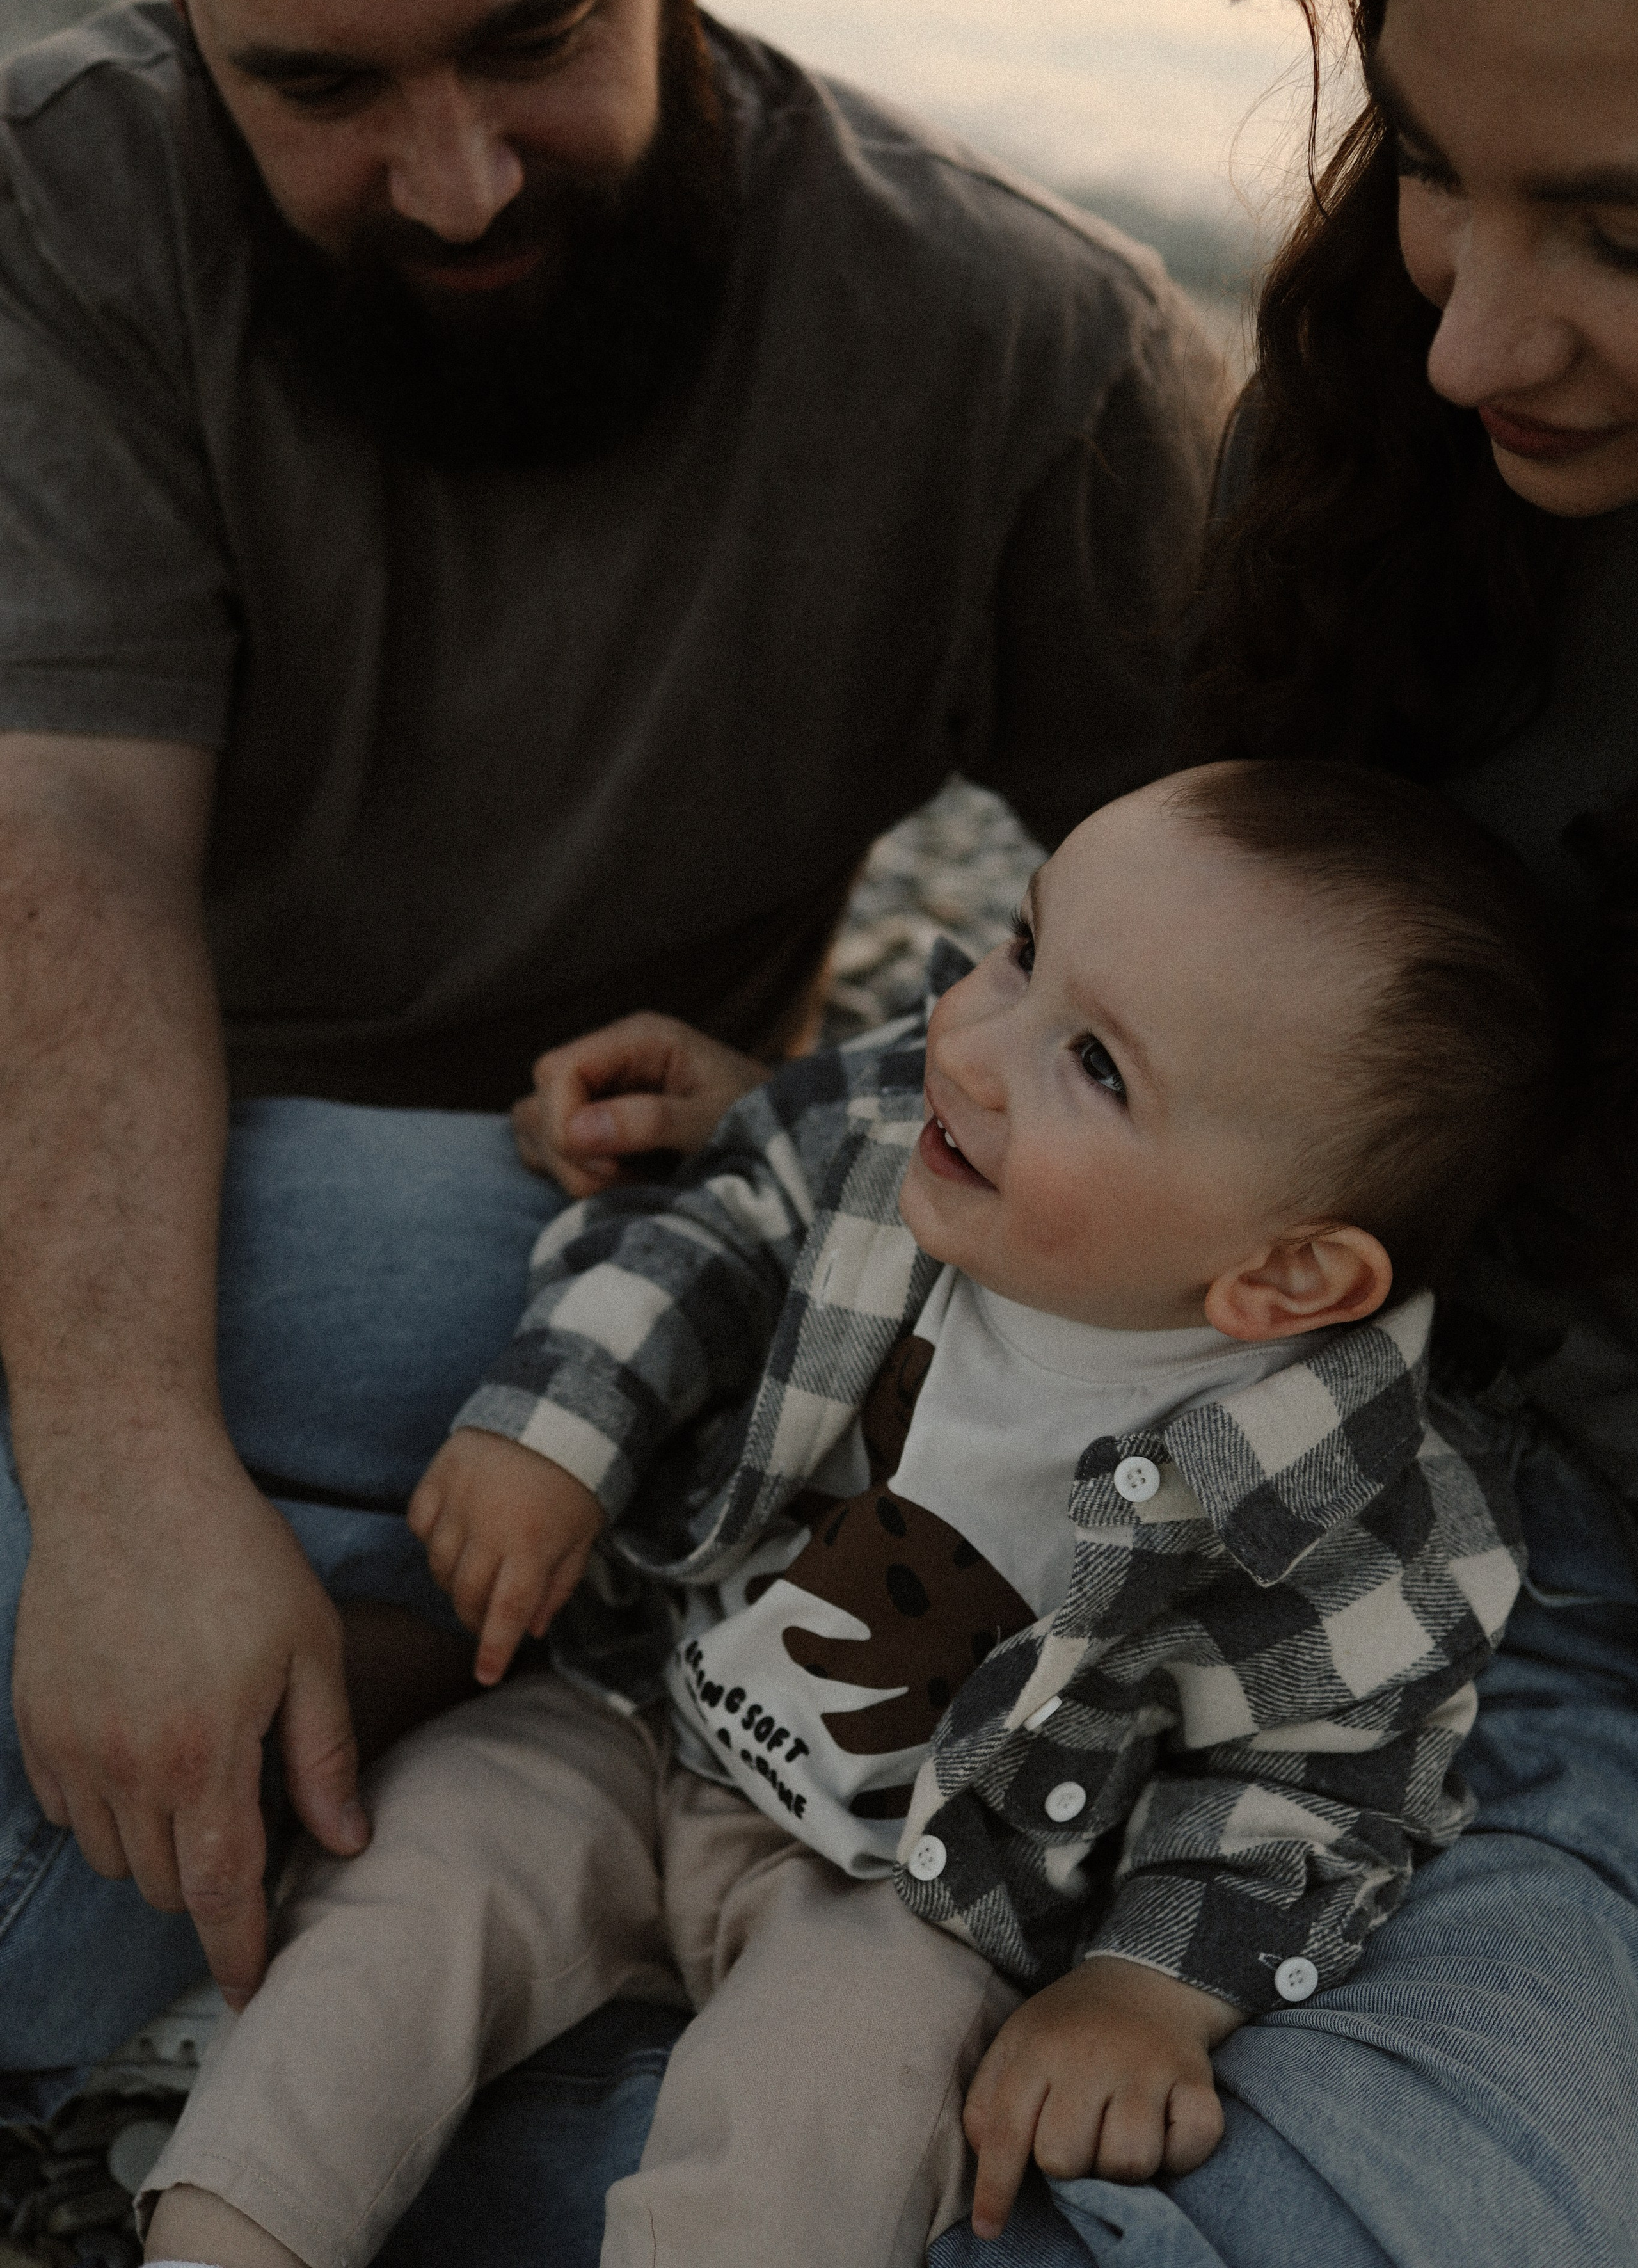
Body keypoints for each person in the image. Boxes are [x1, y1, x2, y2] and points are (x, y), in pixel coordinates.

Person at [454, 0, 1638, 2265]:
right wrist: (909, 1081)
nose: (1463, 342)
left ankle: (559, 2028)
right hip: (1063, 1307)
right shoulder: (1400, 441)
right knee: (325, 1249)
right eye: (1427, 168)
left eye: (1625, 234)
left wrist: (1155, 1969)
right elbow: (1190, 978)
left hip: (1503, 1604)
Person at [0, 0, 1223, 2104]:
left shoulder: (1024, 353)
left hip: (580, 1277)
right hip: (79, 1189)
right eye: (323, 92)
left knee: (62, 1904)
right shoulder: (60, 207)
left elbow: (1261, 977)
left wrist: (829, 1112)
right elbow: (58, 825)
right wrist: (128, 1471)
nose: (456, 180)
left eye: (534, 36)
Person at [137, 757, 1555, 2268]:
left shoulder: (1348, 1508)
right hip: (636, 1713)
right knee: (404, 1898)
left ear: (1285, 1278)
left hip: (915, 1894)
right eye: (1021, 946)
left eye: (1095, 1065)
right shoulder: (900, 1125)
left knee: (832, 2123)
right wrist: (554, 1436)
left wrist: (1145, 1987)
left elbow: (1324, 1784)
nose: (971, 1043)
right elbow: (719, 1227)